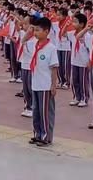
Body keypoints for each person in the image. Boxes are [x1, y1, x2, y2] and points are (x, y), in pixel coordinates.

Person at [29, 16, 59, 146]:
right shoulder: (34, 45)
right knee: (36, 111)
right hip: (36, 83)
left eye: (38, 30)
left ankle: (46, 136)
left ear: (46, 32)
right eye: (34, 30)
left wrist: (53, 84)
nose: (35, 33)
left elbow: (54, 68)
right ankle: (38, 134)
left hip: (46, 85)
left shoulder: (51, 48)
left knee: (45, 112)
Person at [67, 12, 92, 107]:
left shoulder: (87, 36)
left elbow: (90, 49)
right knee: (75, 80)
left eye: (75, 22)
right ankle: (76, 97)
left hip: (83, 62)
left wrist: (90, 62)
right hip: (74, 61)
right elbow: (63, 33)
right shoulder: (72, 34)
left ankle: (84, 98)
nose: (73, 23)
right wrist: (67, 25)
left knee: (83, 81)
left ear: (82, 24)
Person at [19, 15, 37, 117]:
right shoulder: (25, 35)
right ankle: (27, 106)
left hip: (31, 67)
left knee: (31, 88)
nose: (24, 25)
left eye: (26, 24)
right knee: (25, 88)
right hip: (24, 65)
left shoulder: (35, 39)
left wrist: (30, 32)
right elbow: (22, 42)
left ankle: (33, 107)